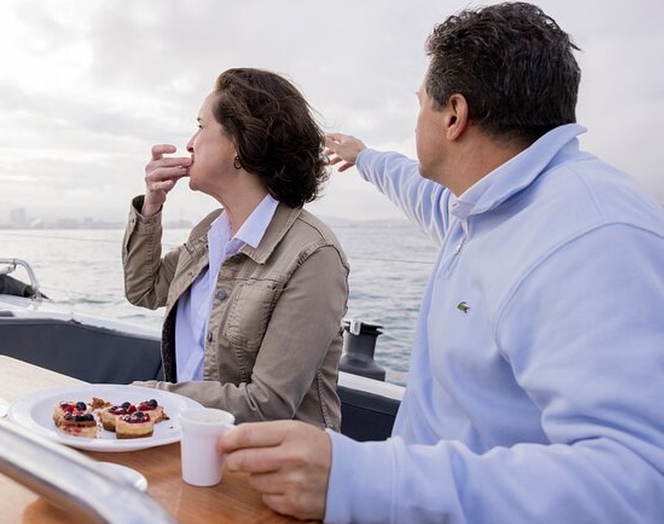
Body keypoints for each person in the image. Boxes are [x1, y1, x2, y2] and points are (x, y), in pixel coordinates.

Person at [218, 3, 664, 522]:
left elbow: (638, 483)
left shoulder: (591, 234)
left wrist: (366, 481)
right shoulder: (477, 207)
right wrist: (364, 157)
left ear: (453, 115)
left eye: (418, 105)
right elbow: (412, 184)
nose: (415, 122)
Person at [122, 68, 349, 428]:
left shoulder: (313, 255)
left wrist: (152, 398)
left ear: (241, 144)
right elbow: (144, 290)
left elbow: (269, 404)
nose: (191, 143)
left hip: (274, 470)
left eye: (201, 126)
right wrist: (150, 207)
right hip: (197, 441)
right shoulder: (210, 231)